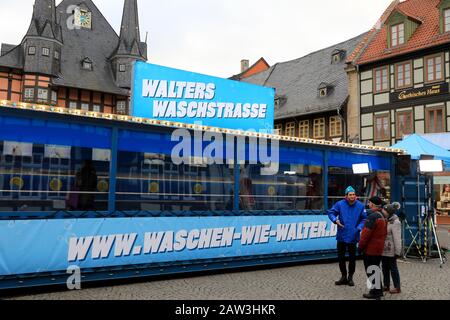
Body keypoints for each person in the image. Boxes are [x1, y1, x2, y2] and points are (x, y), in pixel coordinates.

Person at [328, 186, 367, 287]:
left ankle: (350, 277)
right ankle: (343, 276)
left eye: (354, 195)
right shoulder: (340, 204)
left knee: (352, 258)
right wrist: (335, 220)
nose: (352, 196)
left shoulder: (360, 206)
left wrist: (359, 228)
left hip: (353, 235)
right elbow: (331, 212)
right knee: (341, 257)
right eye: (350, 195)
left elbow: (364, 219)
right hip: (342, 235)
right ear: (346, 196)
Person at [359, 196, 388, 299]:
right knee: (375, 268)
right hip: (379, 247)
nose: (368, 204)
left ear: (372, 204)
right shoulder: (383, 215)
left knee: (371, 270)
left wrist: (360, 246)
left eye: (369, 202)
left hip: (370, 248)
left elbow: (365, 234)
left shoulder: (372, 216)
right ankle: (377, 290)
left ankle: (375, 292)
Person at [381, 202, 402, 294]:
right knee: (384, 268)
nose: (382, 211)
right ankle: (386, 285)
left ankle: (397, 287)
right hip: (384, 250)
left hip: (391, 250)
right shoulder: (385, 219)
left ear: (388, 212)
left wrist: (398, 251)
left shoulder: (395, 222)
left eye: (384, 210)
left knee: (393, 269)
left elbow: (397, 238)